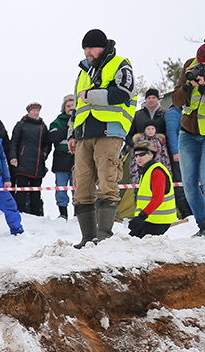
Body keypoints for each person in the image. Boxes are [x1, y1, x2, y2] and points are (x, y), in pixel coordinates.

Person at [69, 28, 136, 248]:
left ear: (103, 47)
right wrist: (72, 134)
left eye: (91, 48)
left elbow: (123, 93)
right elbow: (76, 107)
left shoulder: (120, 64)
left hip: (109, 131)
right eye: (85, 48)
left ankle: (104, 236)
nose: (87, 52)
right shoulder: (83, 72)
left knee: (108, 181)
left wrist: (90, 95)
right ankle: (87, 238)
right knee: (82, 186)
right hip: (83, 134)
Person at [172, 43, 205, 237]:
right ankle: (203, 225)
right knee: (189, 183)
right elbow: (176, 100)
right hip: (187, 133)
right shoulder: (189, 66)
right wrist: (188, 85)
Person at [9, 102, 54, 216]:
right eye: (33, 110)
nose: (35, 113)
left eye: (37, 111)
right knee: (21, 190)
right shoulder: (21, 124)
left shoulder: (43, 126)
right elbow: (14, 142)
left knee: (36, 191)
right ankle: (20, 212)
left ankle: (36, 213)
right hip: (23, 162)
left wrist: (44, 153)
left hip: (37, 163)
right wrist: (13, 157)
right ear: (28, 112)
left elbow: (47, 143)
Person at [126, 140, 176, 238]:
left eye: (142, 154)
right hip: (149, 219)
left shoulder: (157, 171)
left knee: (136, 245)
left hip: (158, 221)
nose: (138, 158)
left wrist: (141, 216)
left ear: (151, 155)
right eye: (136, 156)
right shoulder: (147, 171)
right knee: (129, 243)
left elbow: (158, 198)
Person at [48, 95, 76, 219]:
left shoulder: (82, 120)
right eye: (68, 106)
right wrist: (67, 127)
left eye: (72, 106)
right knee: (61, 189)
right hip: (61, 161)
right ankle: (63, 214)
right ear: (64, 107)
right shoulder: (57, 122)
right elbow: (52, 138)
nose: (70, 108)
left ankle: (78, 214)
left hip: (77, 161)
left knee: (78, 189)